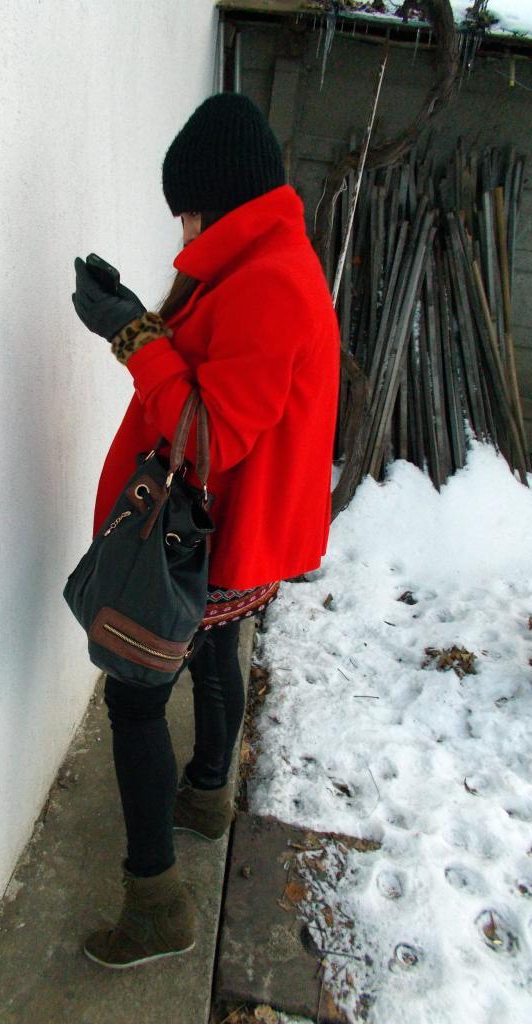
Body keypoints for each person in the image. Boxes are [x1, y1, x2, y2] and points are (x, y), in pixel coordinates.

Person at [71, 92, 340, 969]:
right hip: (240, 533)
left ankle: (154, 903)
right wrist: (142, 320)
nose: (181, 226)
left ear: (214, 197)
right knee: (217, 652)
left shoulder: (269, 282)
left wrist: (128, 335)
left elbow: (206, 435)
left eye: (185, 207)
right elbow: (211, 369)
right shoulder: (263, 262)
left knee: (136, 695)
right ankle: (208, 797)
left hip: (214, 534)